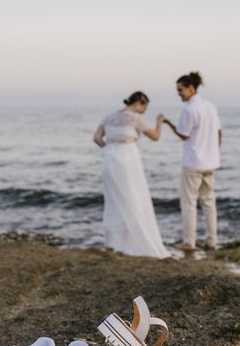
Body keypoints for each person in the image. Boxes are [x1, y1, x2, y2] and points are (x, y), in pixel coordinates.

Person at [93, 91, 170, 259]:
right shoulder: (135, 118)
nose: (143, 112)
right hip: (127, 160)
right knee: (134, 198)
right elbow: (155, 137)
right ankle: (133, 242)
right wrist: (159, 122)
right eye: (144, 108)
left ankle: (115, 243)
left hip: (109, 160)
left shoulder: (108, 117)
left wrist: (110, 149)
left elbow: (97, 138)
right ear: (139, 103)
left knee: (114, 201)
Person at [163, 72, 222, 251]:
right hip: (210, 162)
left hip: (193, 162)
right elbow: (219, 132)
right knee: (209, 202)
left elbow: (184, 134)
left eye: (180, 90)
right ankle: (212, 240)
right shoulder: (210, 106)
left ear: (191, 88)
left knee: (189, 203)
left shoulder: (189, 110)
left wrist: (168, 123)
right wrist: (214, 152)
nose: (179, 93)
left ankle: (189, 242)